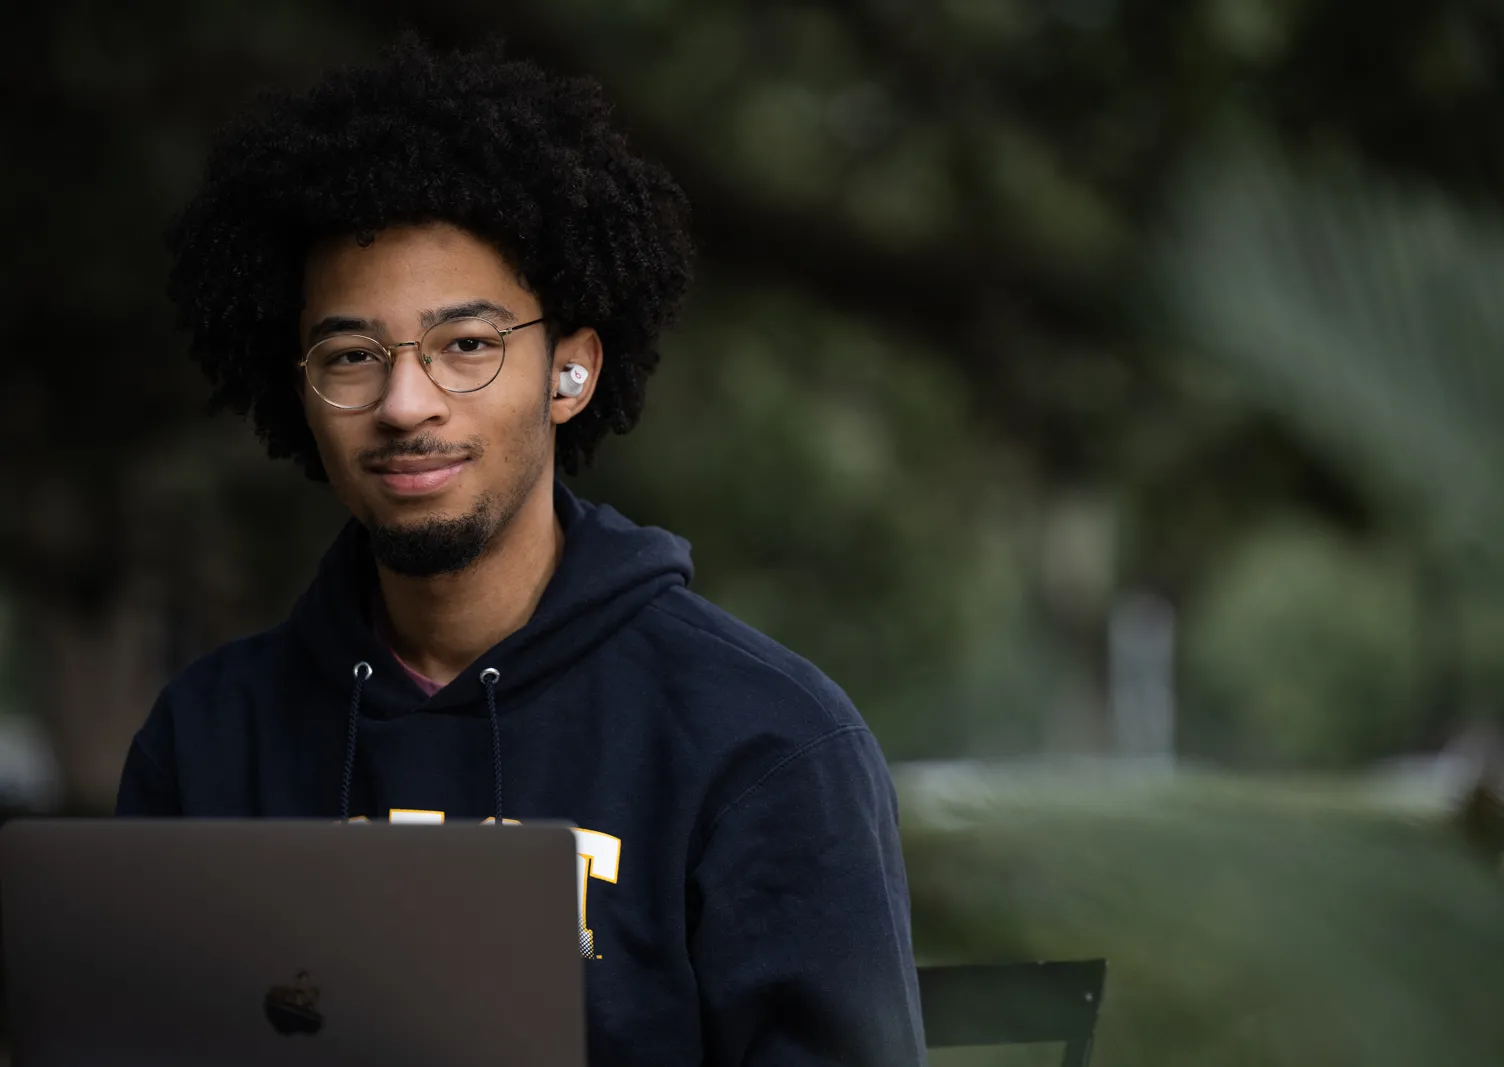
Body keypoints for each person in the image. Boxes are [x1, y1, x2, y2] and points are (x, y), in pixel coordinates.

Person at [115, 36, 926, 1067]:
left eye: (466, 344)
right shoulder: (207, 738)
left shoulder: (763, 742)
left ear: (570, 372)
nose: (406, 403)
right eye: (352, 355)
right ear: (301, 392)